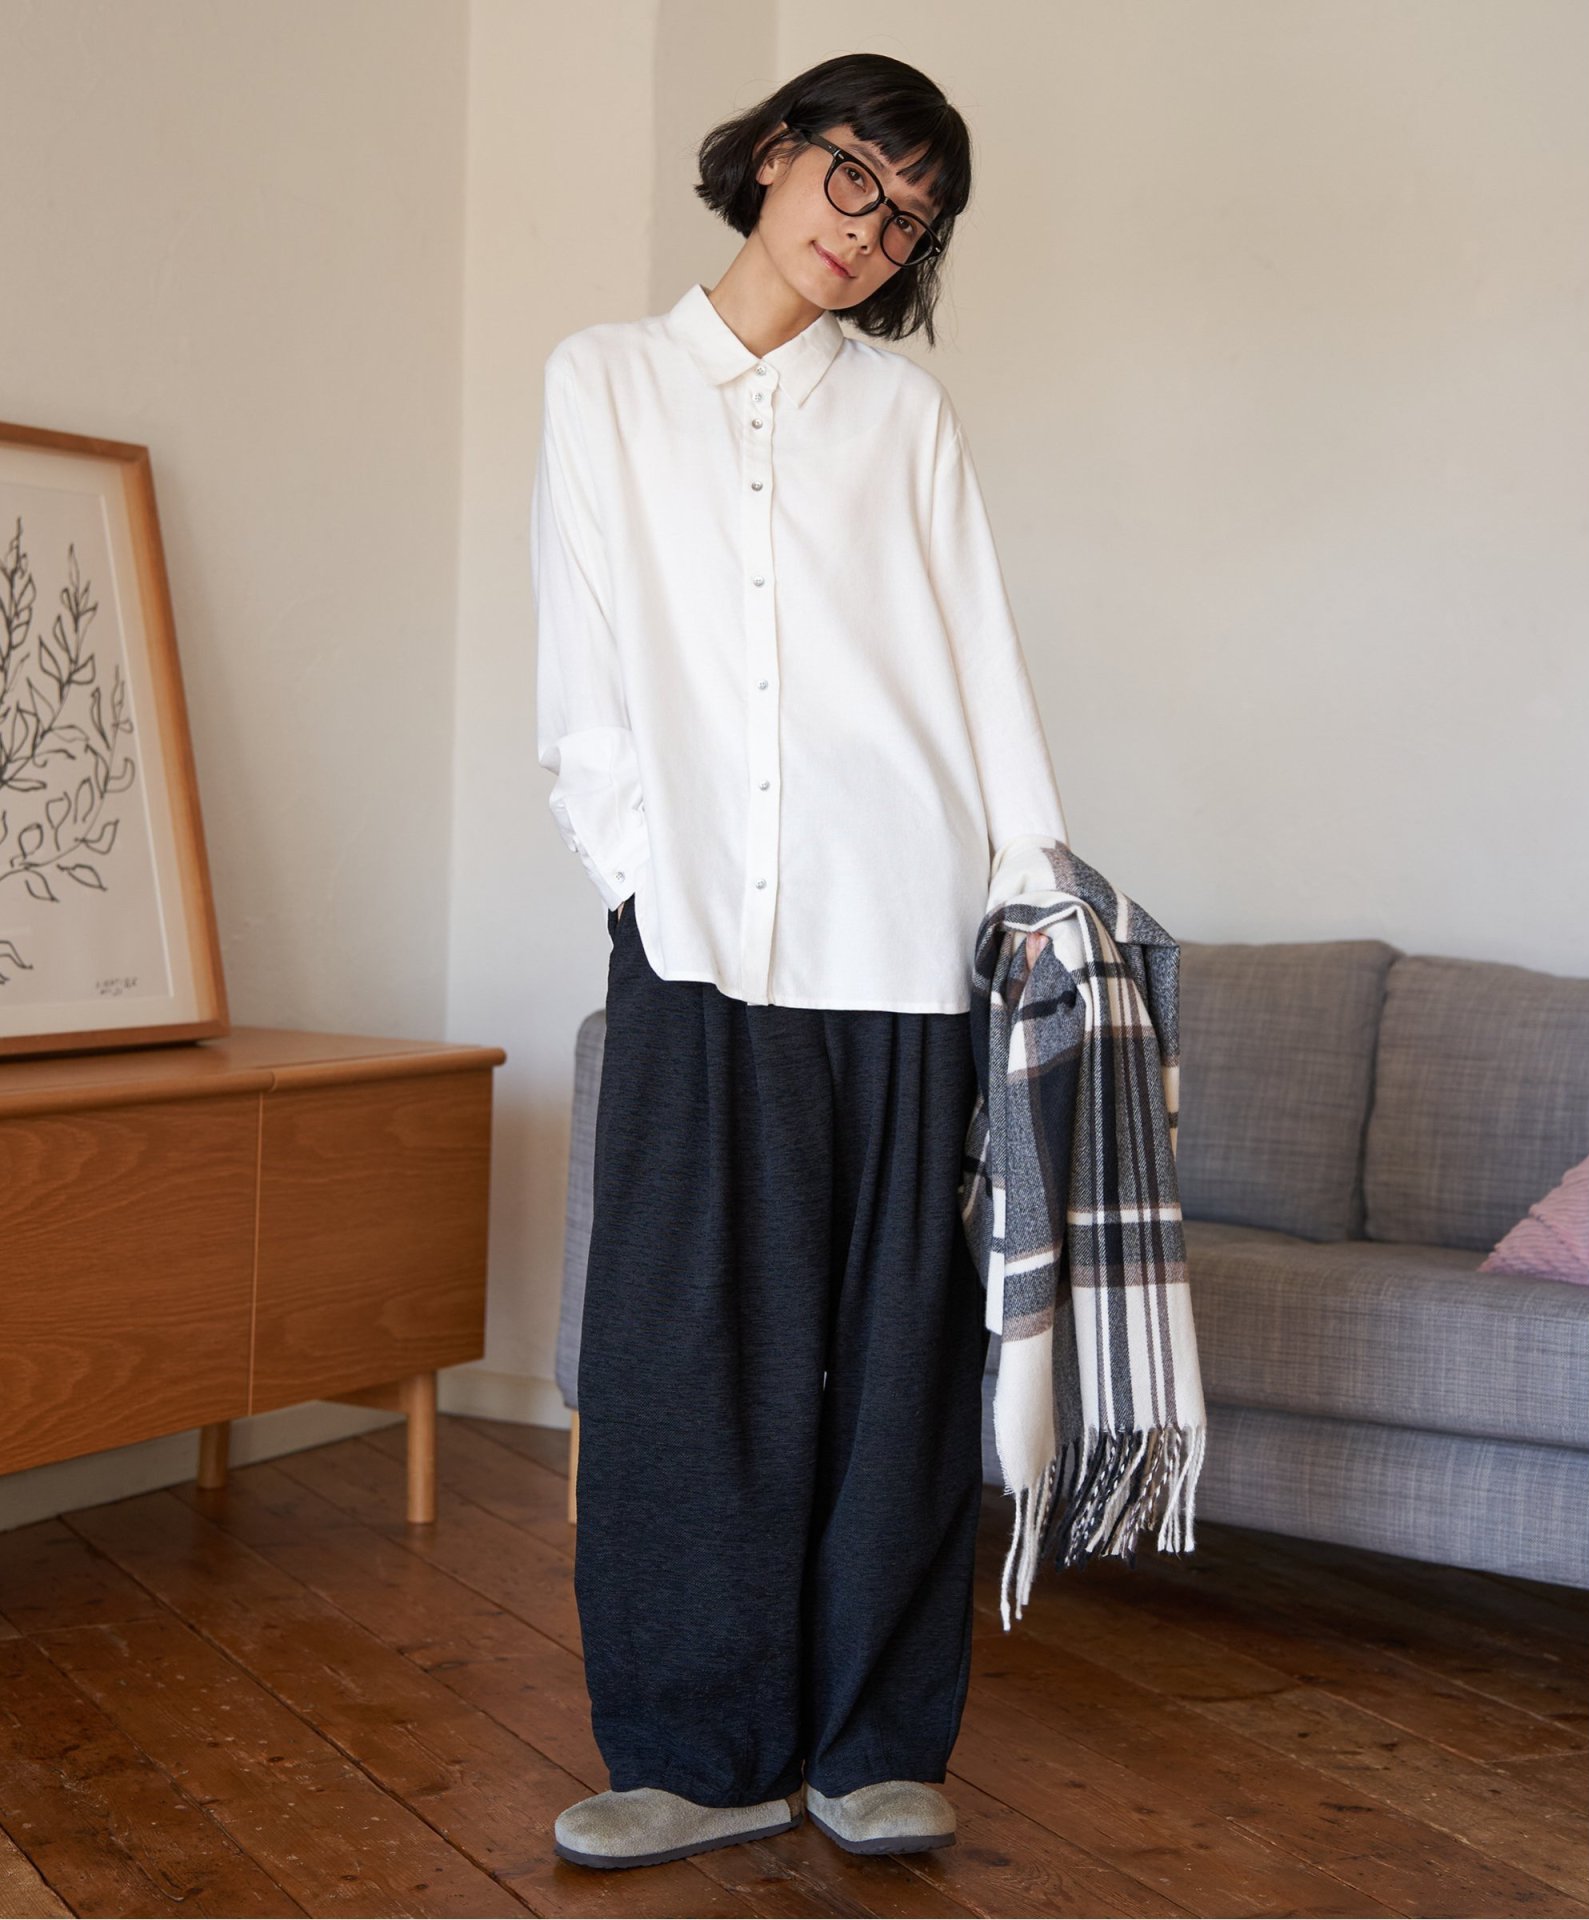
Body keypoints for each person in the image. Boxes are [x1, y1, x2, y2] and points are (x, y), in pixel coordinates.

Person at [531, 51, 1069, 1873]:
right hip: (695, 938)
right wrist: (642, 879)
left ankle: (874, 1742)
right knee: (681, 1355)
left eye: (910, 218)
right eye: (856, 177)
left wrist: (1028, 892)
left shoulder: (905, 420)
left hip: (906, 939)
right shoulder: (603, 383)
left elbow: (981, 662)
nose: (871, 230)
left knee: (895, 1361)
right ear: (774, 154)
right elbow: (583, 678)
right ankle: (693, 1754)